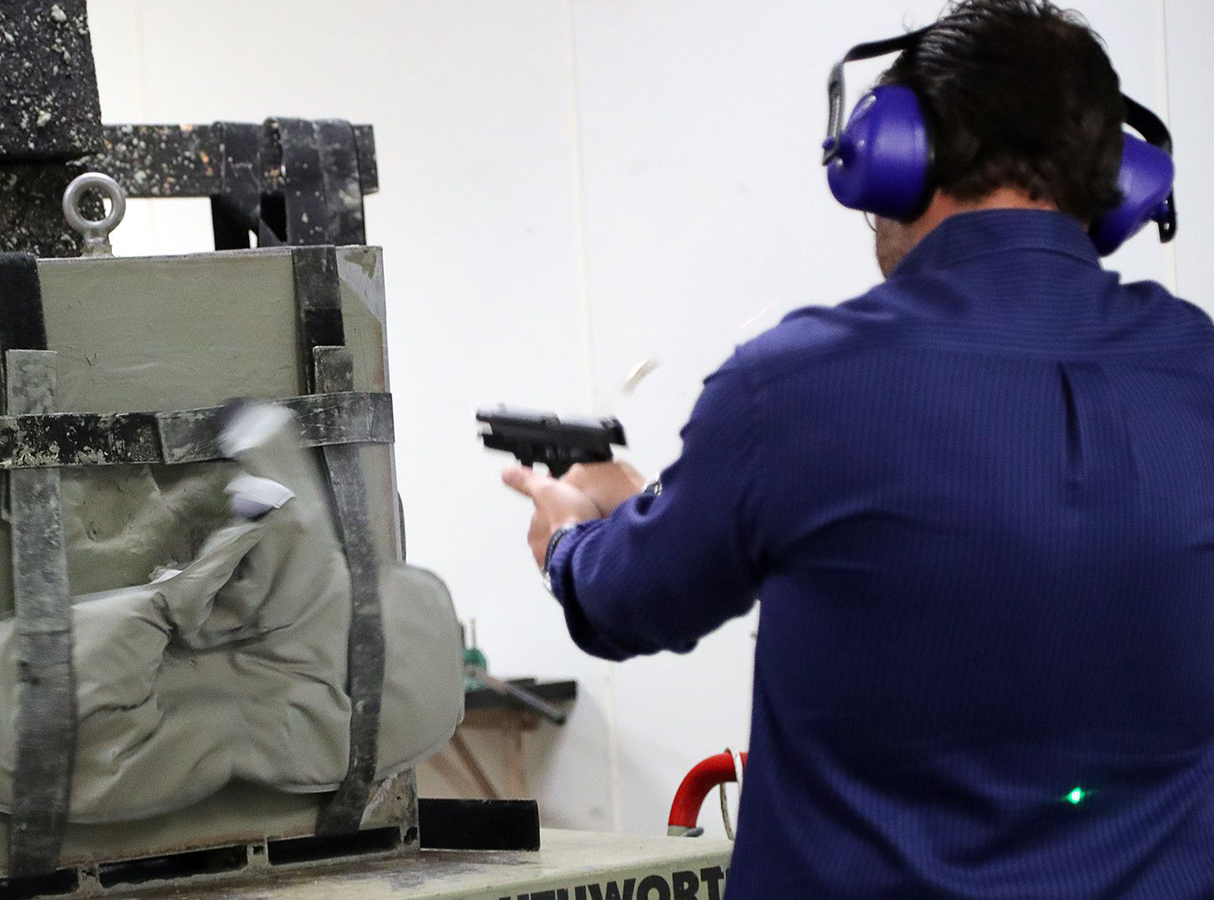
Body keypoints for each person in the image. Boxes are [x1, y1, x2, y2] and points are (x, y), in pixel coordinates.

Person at [504, 2, 1214, 897]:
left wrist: (571, 536)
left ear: (896, 154)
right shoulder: (1200, 369)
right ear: (1116, 180)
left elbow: (628, 602)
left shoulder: (795, 386)